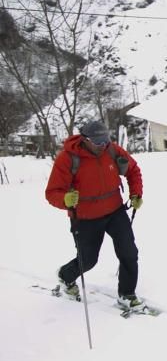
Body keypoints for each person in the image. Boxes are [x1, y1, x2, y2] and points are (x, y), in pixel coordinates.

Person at [45, 121, 145, 310]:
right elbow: (52, 193)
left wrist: (136, 193)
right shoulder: (68, 158)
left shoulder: (112, 150)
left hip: (115, 211)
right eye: (98, 142)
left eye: (105, 141)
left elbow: (133, 170)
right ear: (85, 139)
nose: (102, 145)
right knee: (88, 260)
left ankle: (127, 294)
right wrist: (65, 199)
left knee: (129, 252)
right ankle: (65, 276)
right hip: (85, 217)